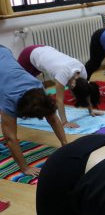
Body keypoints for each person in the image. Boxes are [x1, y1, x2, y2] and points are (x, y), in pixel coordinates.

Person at [0, 46, 67, 177]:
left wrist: (65, 143)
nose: (42, 119)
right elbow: (10, 139)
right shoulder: (9, 100)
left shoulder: (37, 85)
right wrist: (25, 168)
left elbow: (52, 118)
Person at [18, 45, 102, 129]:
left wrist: (91, 110)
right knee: (19, 84)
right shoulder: (62, 74)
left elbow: (86, 91)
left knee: (30, 83)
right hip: (28, 55)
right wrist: (64, 122)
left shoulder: (82, 72)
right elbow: (59, 100)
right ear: (72, 87)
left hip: (42, 53)